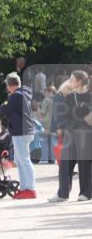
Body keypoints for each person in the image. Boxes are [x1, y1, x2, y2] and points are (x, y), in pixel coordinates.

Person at [48, 70, 91, 203]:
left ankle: (86, 193)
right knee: (65, 163)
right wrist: (60, 127)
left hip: (86, 133)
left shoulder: (90, 96)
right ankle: (63, 193)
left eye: (72, 79)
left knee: (84, 163)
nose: (69, 82)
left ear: (79, 81)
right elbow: (63, 115)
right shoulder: (69, 97)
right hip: (70, 133)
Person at [4, 72, 37, 200]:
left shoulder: (15, 95)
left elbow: (4, 110)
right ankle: (25, 188)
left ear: (9, 85)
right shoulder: (24, 93)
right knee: (22, 161)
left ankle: (30, 188)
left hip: (20, 131)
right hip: (25, 130)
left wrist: (4, 105)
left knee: (24, 161)